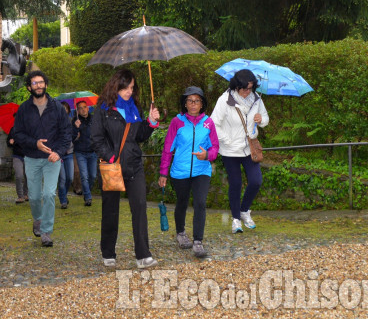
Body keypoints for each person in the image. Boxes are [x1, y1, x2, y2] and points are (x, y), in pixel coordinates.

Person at [92, 68, 160, 269]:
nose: (129, 91)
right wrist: (111, 157)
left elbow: (139, 136)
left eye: (131, 87)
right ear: (116, 86)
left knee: (139, 208)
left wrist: (151, 122)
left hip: (134, 165)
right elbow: (96, 139)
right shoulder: (103, 109)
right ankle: (108, 252)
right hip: (112, 166)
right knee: (110, 211)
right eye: (125, 87)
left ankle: (143, 255)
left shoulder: (134, 108)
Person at [12, 70, 71, 247]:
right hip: (31, 158)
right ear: (29, 87)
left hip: (52, 159)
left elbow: (66, 133)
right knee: (36, 196)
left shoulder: (57, 108)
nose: (38, 85)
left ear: (46, 84)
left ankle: (46, 231)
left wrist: (59, 152)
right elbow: (18, 134)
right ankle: (37, 219)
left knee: (49, 194)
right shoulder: (23, 109)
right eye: (34, 83)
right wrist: (34, 143)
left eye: (41, 82)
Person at [158, 86, 219, 257]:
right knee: (182, 202)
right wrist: (163, 172)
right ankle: (181, 233)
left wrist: (207, 155)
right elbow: (168, 148)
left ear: (202, 104)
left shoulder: (208, 122)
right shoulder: (176, 122)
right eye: (190, 100)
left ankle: (198, 241)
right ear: (185, 104)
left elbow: (215, 147)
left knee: (200, 202)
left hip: (202, 170)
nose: (193, 104)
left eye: (197, 100)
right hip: (180, 171)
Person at [210, 69, 270, 234]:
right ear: (237, 86)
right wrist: (227, 140)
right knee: (235, 183)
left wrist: (261, 120)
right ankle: (236, 219)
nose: (248, 92)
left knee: (256, 181)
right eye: (245, 88)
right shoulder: (225, 100)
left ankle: (244, 211)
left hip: (248, 148)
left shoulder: (257, 100)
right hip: (229, 150)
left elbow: (265, 118)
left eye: (251, 88)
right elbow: (214, 123)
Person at [73, 100, 97, 207]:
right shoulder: (75, 121)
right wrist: (76, 128)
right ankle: (88, 197)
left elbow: (99, 133)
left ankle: (87, 191)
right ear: (77, 110)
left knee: (92, 175)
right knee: (84, 176)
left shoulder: (94, 119)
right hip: (80, 152)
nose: (83, 109)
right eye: (80, 108)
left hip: (93, 151)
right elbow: (72, 137)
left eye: (85, 107)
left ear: (88, 108)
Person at [57, 102, 75, 209]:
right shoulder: (54, 122)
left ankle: (63, 193)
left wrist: (76, 128)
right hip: (59, 154)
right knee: (62, 178)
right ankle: (63, 199)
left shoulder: (71, 122)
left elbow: (73, 137)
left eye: (66, 109)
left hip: (69, 153)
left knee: (70, 178)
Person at [7, 123, 29, 204]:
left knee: (28, 175)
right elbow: (8, 142)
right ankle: (20, 196)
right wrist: (10, 142)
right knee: (19, 175)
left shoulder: (28, 129)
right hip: (17, 155)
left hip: (27, 155)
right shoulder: (13, 130)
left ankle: (26, 193)